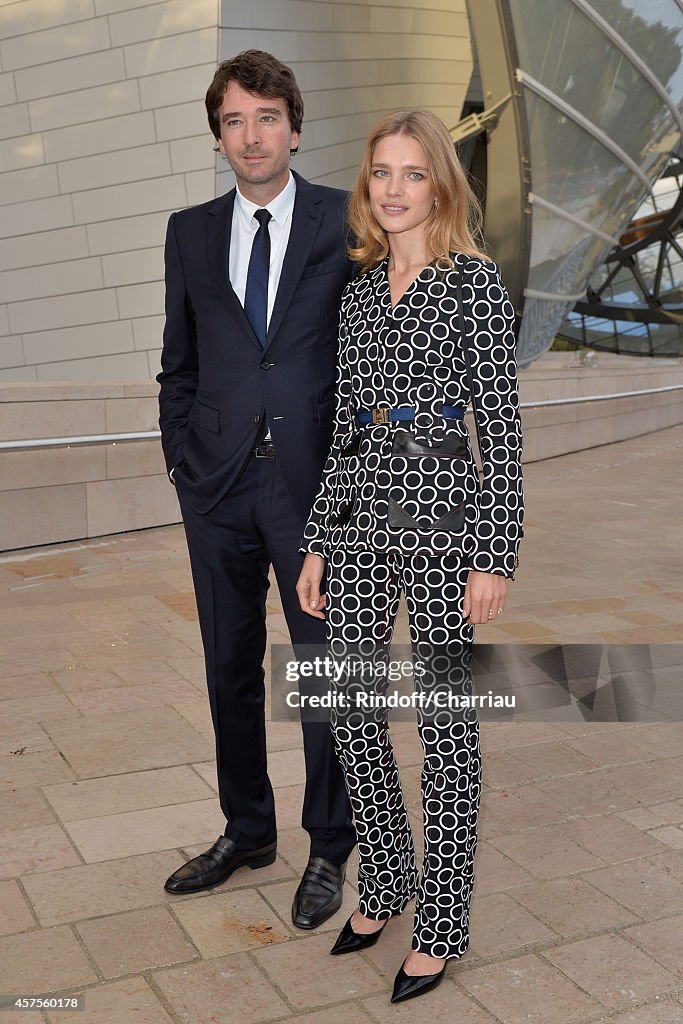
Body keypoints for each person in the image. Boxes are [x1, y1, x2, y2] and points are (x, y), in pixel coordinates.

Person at [296, 109, 524, 1002]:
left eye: (411, 174)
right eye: (380, 173)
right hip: (356, 522)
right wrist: (317, 538)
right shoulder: (355, 294)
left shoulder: (472, 284)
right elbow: (346, 432)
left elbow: (498, 429)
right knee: (351, 708)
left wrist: (493, 553)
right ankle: (386, 879)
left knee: (443, 724)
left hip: (442, 519)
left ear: (440, 184)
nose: (393, 190)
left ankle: (443, 919)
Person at [157, 50, 356, 928]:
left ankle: (328, 843)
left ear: (294, 127)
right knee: (227, 668)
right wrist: (181, 466)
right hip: (218, 493)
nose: (251, 135)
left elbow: (364, 358)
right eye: (233, 121)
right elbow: (179, 364)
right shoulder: (189, 231)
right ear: (219, 137)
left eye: (265, 117)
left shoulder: (342, 221)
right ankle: (247, 829)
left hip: (315, 496)